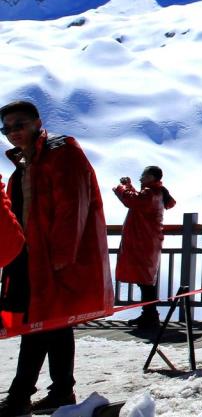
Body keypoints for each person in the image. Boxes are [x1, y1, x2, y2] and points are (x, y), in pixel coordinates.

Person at [0, 100, 112, 415]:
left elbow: (73, 205)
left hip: (51, 260)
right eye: (6, 129)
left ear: (37, 122)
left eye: (19, 124)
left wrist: (61, 257)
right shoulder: (26, 162)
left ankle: (24, 395)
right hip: (30, 259)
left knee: (45, 326)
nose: (13, 133)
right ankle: (59, 392)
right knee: (49, 326)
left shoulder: (62, 151)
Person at [113, 166, 176, 332]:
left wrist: (123, 187)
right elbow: (138, 201)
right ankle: (149, 313)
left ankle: (149, 316)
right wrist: (130, 187)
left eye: (143, 176)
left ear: (151, 177)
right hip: (147, 241)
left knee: (145, 282)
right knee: (146, 281)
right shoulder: (156, 192)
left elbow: (132, 201)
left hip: (142, 242)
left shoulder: (150, 193)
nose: (140, 179)